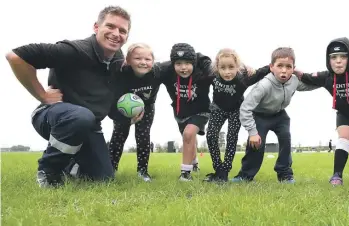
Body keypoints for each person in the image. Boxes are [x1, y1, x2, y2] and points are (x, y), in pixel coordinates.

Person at [5, 6, 136, 188]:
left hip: (88, 125)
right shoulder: (74, 50)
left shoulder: (116, 61)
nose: (116, 34)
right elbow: (16, 57)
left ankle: (71, 166)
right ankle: (49, 171)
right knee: (81, 117)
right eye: (110, 26)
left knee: (104, 179)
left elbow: (108, 105)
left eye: (122, 31)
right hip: (53, 116)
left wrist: (127, 115)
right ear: (96, 27)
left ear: (127, 37)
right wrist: (42, 95)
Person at [296, 37, 349, 186]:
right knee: (343, 139)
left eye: (343, 56)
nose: (338, 61)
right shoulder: (326, 77)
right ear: (328, 60)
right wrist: (292, 70)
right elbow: (306, 77)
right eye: (334, 57)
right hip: (345, 114)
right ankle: (337, 176)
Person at [232, 47, 319, 183]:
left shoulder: (294, 80)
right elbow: (245, 108)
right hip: (259, 116)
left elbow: (308, 85)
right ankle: (245, 175)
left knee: (286, 139)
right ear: (272, 67)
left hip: (279, 116)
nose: (284, 70)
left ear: (293, 68)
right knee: (256, 145)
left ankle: (284, 174)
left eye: (288, 67)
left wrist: (326, 81)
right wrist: (252, 132)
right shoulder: (264, 85)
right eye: (280, 66)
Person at [204, 48, 269, 182]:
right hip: (218, 108)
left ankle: (225, 171)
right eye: (223, 68)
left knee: (231, 138)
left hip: (236, 110)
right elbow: (200, 60)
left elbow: (262, 72)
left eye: (231, 67)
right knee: (211, 135)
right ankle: (218, 169)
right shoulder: (212, 75)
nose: (227, 72)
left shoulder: (243, 78)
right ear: (217, 67)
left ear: (237, 67)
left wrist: (272, 66)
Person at [159, 43, 213, 181]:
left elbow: (224, 70)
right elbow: (148, 70)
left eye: (188, 63)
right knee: (189, 138)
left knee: (188, 134)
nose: (183, 68)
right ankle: (194, 164)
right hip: (180, 113)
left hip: (201, 110)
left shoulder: (203, 72)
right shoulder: (166, 71)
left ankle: (185, 174)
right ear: (173, 64)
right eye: (179, 63)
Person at [108, 43, 160, 182]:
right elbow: (111, 100)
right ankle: (111, 169)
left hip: (146, 107)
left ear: (153, 61)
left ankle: (142, 171)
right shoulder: (120, 72)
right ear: (128, 60)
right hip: (123, 107)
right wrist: (125, 119)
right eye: (138, 58)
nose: (143, 62)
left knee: (143, 136)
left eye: (148, 59)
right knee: (118, 136)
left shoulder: (158, 72)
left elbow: (176, 67)